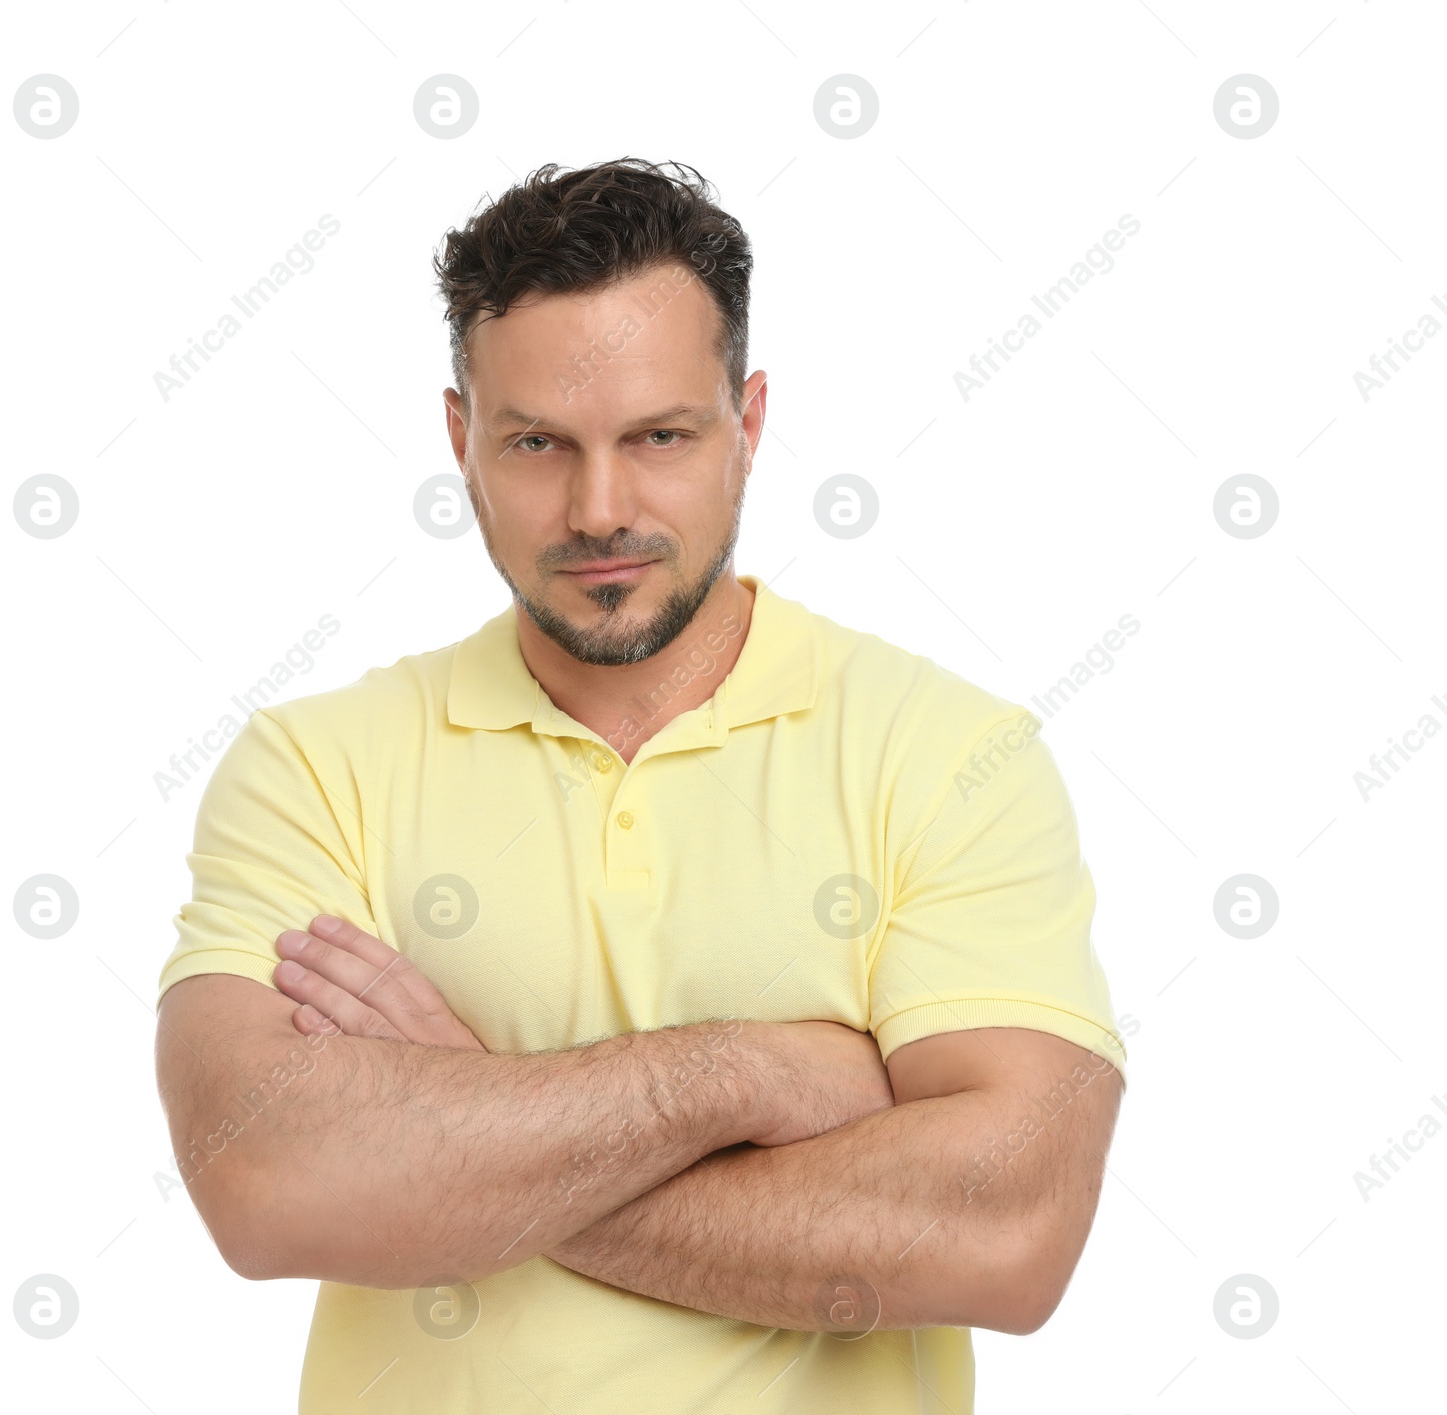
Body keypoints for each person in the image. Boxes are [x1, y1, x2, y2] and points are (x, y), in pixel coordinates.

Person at [154, 157, 1127, 1415]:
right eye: (537, 444)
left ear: (750, 421)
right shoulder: (314, 765)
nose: (598, 506)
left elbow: (1007, 1227)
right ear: (461, 438)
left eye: (659, 435)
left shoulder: (945, 753)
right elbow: (270, 1182)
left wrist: (463, 1114)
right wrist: (742, 1075)